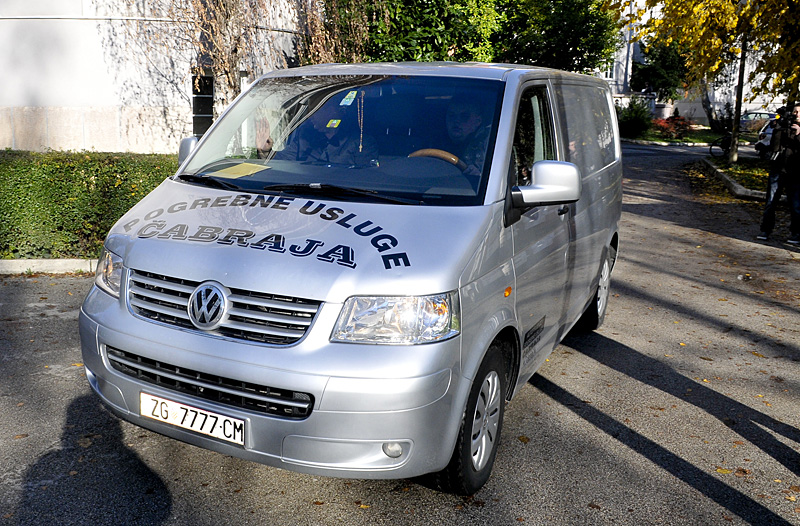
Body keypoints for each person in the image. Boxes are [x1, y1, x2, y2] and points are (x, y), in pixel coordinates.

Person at [274, 101, 378, 167]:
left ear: (331, 111)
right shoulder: (305, 136)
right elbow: (282, 161)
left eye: (314, 111)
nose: (310, 117)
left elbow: (365, 177)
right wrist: (266, 149)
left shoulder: (360, 142)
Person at [757, 102, 800, 244]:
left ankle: (796, 233)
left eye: (799, 112)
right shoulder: (783, 125)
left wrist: (798, 134)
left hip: (795, 172)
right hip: (778, 170)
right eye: (795, 112)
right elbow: (775, 146)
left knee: (795, 204)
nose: (797, 115)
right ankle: (765, 230)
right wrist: (779, 128)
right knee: (770, 201)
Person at [441, 97, 491, 177]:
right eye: (452, 116)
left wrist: (479, 175)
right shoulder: (432, 141)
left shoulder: (490, 144)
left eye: (464, 116)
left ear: (477, 122)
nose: (456, 120)